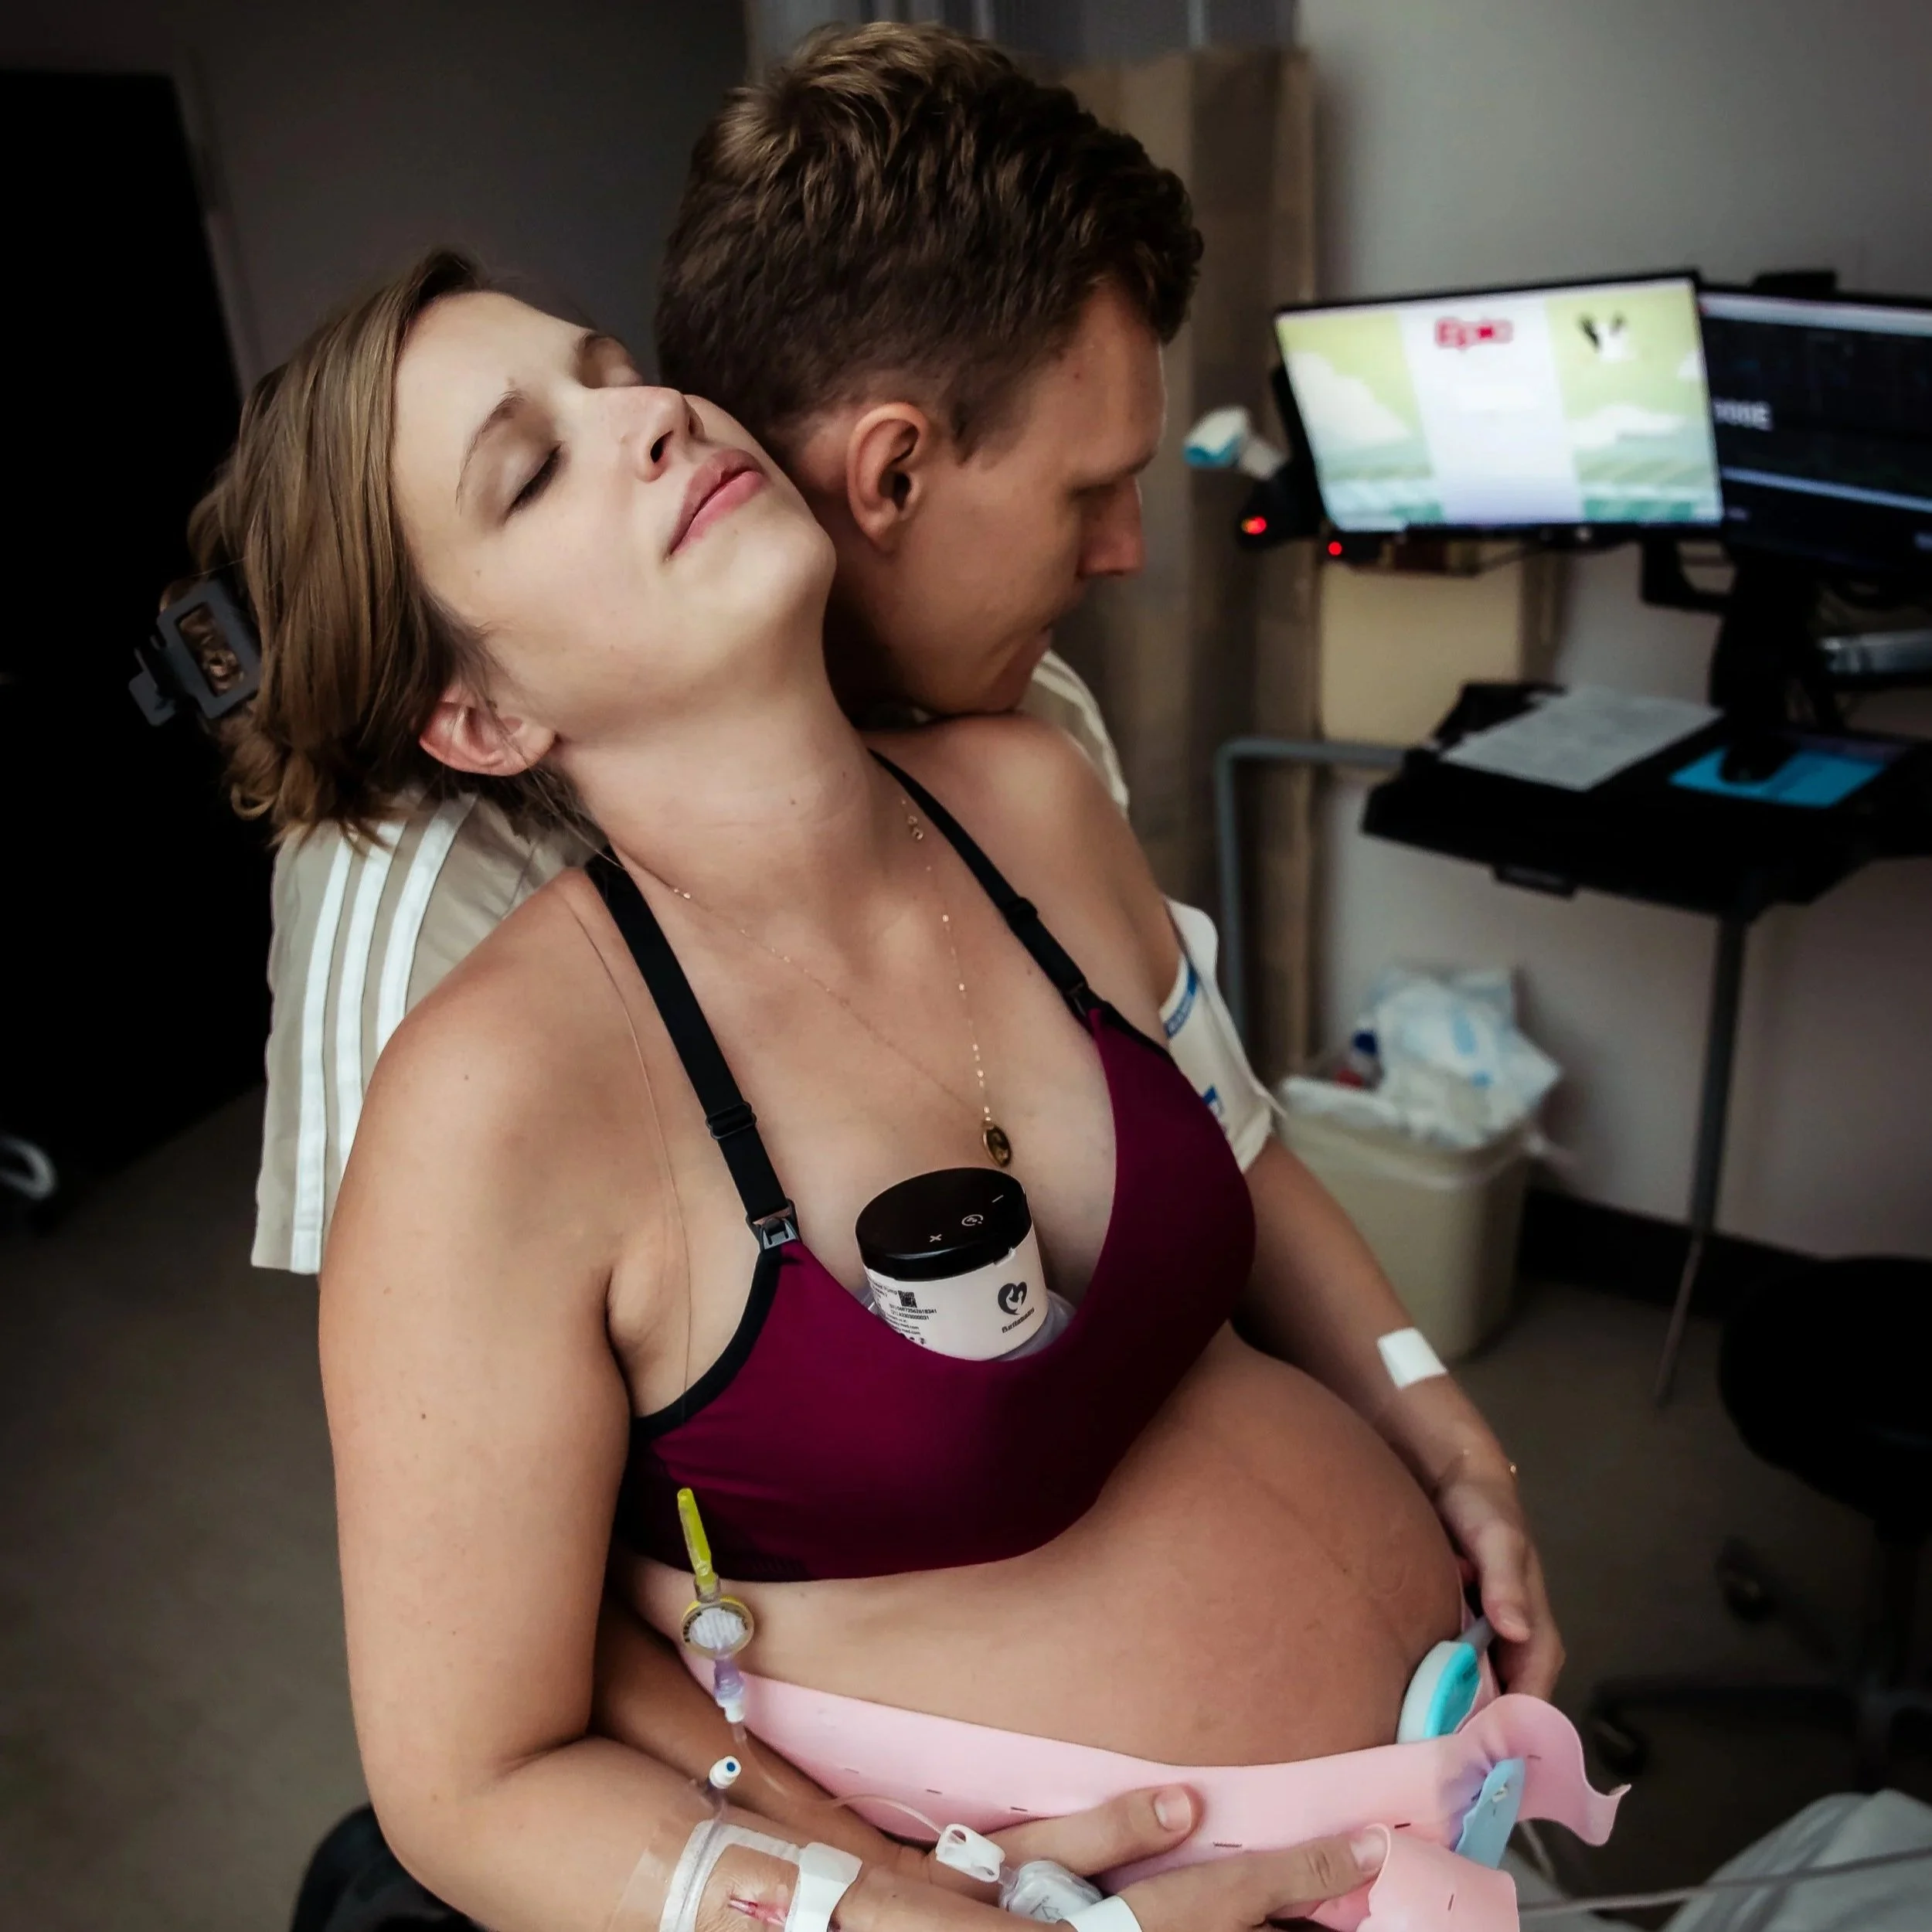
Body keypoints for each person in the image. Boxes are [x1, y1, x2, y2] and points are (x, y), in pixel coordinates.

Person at [188, 219, 1625, 1931]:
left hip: (1450, 1773)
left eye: (610, 371)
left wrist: (1435, 1424)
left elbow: (1239, 1152)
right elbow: (470, 1783)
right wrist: (900, 1920)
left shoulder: (1031, 797)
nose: (648, 414)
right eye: (531, 471)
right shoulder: (497, 1095)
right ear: (481, 718)